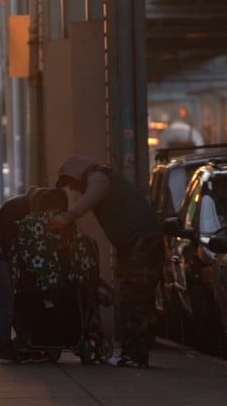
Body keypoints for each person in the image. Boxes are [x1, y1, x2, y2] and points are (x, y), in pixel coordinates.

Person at [47, 154, 164, 368]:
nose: (72, 188)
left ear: (76, 173)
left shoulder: (98, 177)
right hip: (135, 244)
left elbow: (89, 199)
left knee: (136, 299)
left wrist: (65, 218)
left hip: (141, 244)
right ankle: (134, 353)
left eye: (70, 182)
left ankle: (136, 355)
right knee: (134, 298)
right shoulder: (102, 177)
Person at [0, 186, 69, 364]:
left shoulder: (26, 205)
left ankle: (23, 344)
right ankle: (5, 351)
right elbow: (9, 241)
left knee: (13, 300)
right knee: (6, 301)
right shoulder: (17, 208)